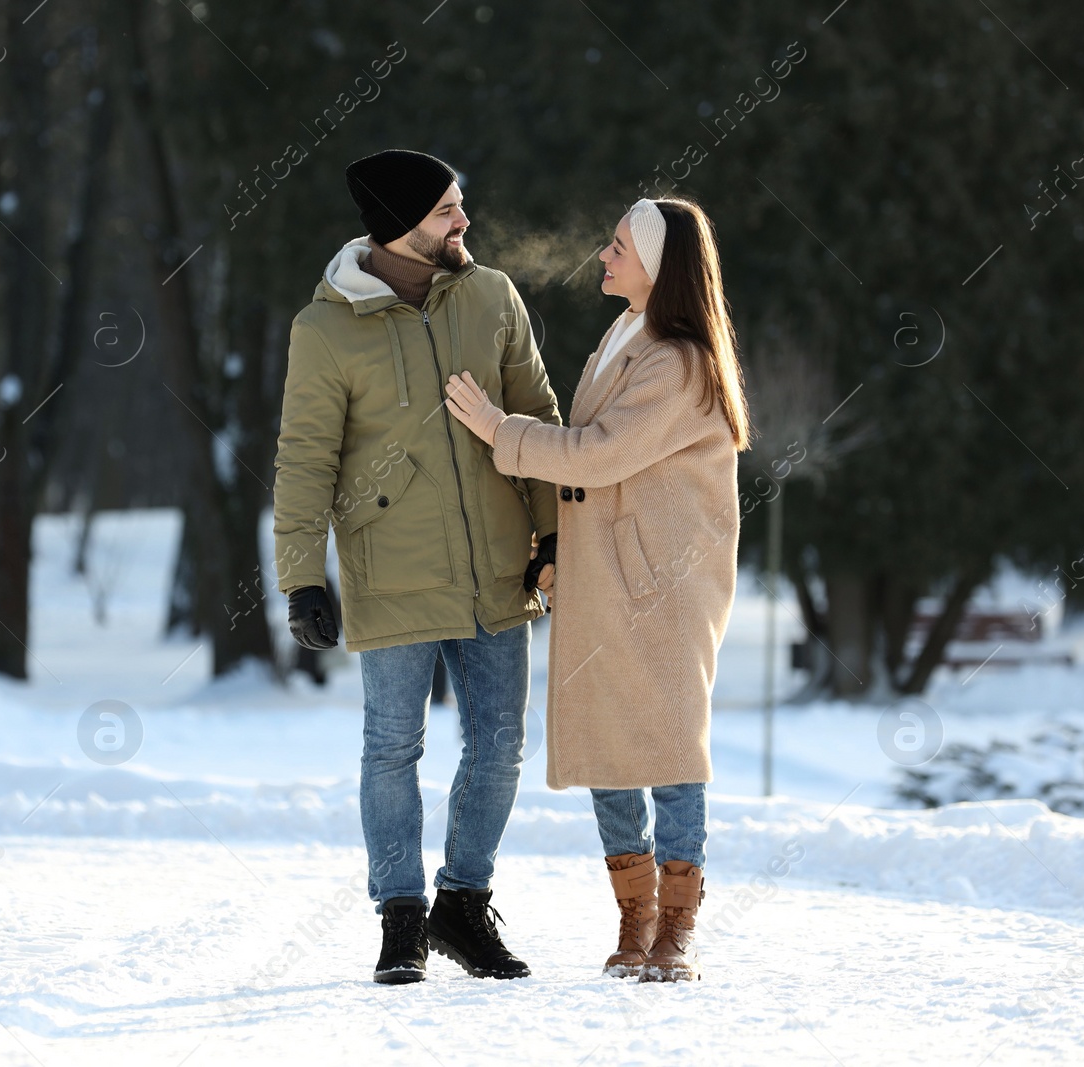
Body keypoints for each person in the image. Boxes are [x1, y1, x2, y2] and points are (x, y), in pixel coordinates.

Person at [272, 149, 563, 984]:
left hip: (500, 564)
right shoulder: (325, 329)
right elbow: (303, 461)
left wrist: (549, 536)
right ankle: (400, 917)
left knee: (501, 745)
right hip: (391, 568)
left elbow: (536, 414)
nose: (464, 221)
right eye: (446, 211)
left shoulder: (492, 295)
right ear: (397, 225)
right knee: (393, 746)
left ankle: (462, 907)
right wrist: (300, 574)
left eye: (460, 204)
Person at [444, 197, 751, 982]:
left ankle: (676, 926)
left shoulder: (677, 359)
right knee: (613, 747)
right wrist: (558, 552)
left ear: (657, 265)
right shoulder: (624, 338)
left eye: (618, 245)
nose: (604, 255)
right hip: (610, 579)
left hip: (664, 584)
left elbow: (597, 454)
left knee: (673, 746)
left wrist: (495, 428)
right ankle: (635, 914)